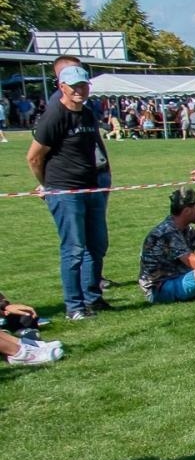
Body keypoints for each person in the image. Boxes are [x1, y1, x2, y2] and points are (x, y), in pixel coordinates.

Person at [26, 62, 111, 320]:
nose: (79, 91)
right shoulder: (54, 115)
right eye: (74, 86)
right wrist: (48, 186)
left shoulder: (87, 114)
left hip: (92, 187)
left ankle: (93, 298)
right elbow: (34, 157)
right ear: (62, 87)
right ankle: (74, 306)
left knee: (97, 245)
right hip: (65, 191)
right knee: (73, 249)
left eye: (83, 85)